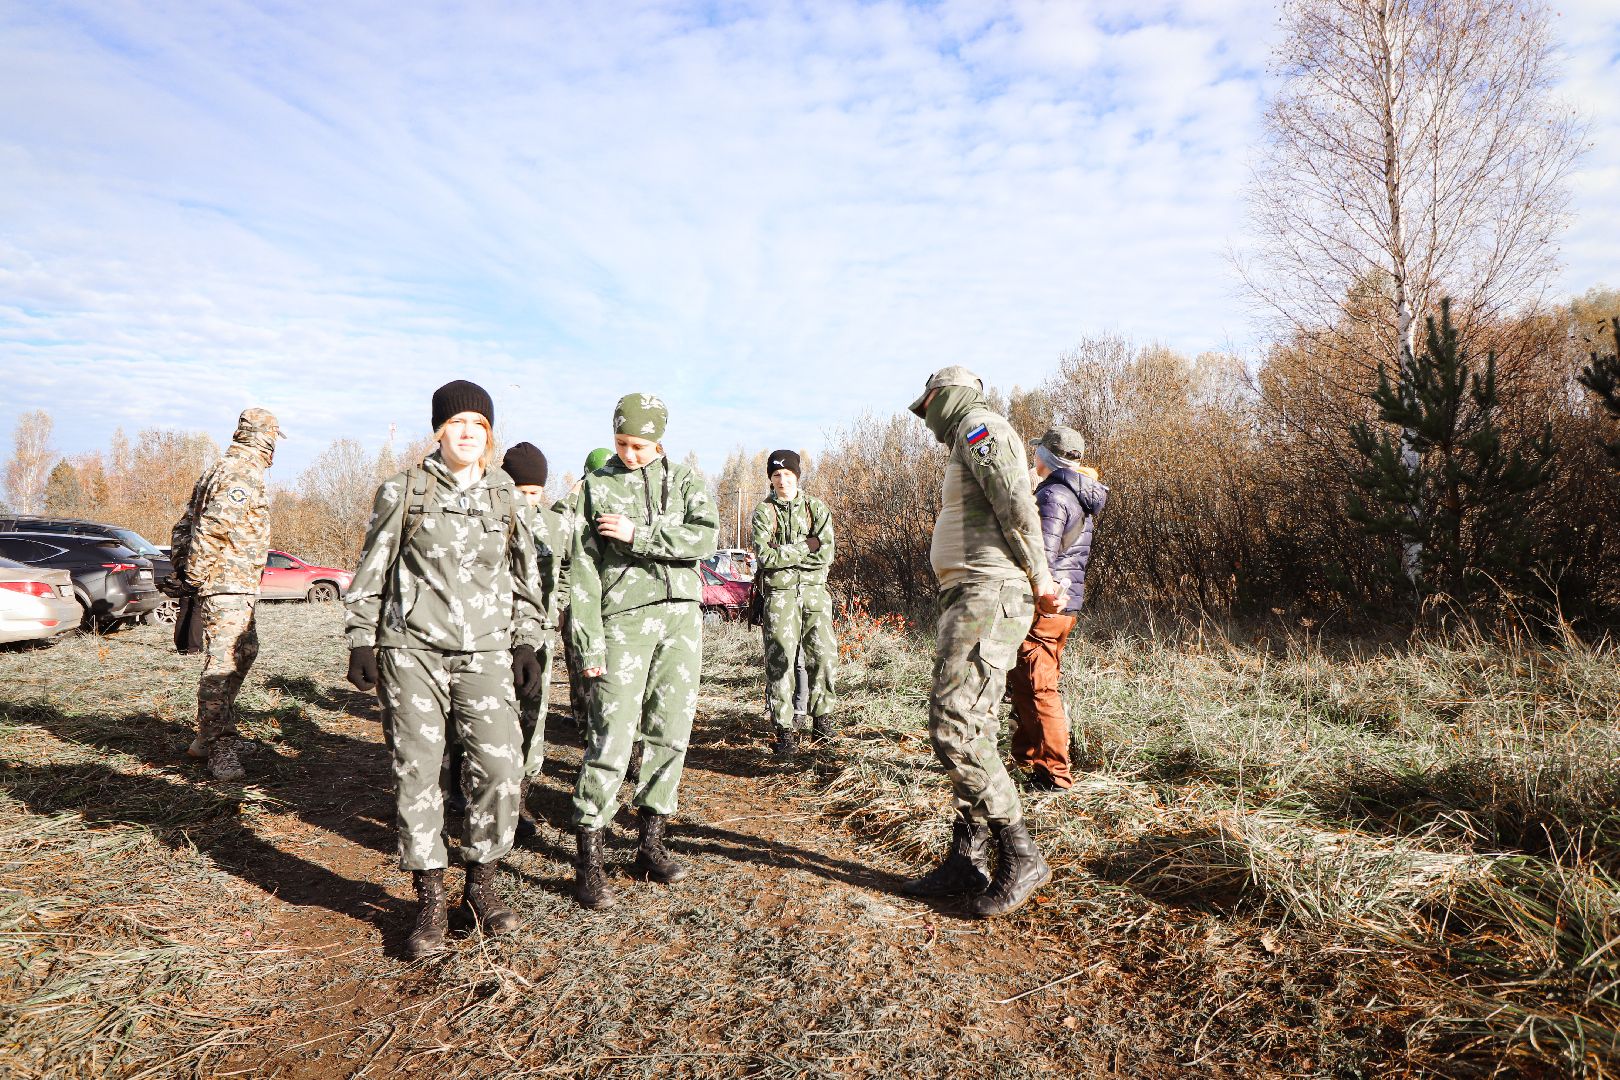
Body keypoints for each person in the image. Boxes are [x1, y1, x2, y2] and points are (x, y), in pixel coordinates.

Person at [343, 380, 547, 959]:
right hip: (412, 650)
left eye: (478, 425)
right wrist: (362, 638)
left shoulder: (505, 495)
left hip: (485, 652)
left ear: (488, 433)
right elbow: (373, 565)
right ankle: (430, 898)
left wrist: (528, 642)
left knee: (502, 767)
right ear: (438, 430)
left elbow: (526, 576)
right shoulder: (403, 490)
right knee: (418, 771)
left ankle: (481, 884)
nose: (467, 433)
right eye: (456, 423)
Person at [898, 366, 1064, 919]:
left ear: (946, 396)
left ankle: (1020, 853)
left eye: (929, 406)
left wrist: (1040, 576)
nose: (926, 420)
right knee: (978, 723)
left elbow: (1015, 501)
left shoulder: (979, 426)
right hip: (969, 591)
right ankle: (966, 858)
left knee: (955, 721)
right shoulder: (967, 435)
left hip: (988, 591)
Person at [567, 393, 717, 910]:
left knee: (671, 731)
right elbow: (582, 571)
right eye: (622, 443)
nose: (631, 453)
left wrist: (640, 533)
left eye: (641, 445)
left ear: (661, 440)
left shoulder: (688, 480)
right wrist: (588, 639)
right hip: (623, 622)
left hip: (681, 622)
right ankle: (590, 856)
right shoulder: (596, 485)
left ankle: (649, 843)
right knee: (612, 734)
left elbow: (705, 538)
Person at [169, 407, 282, 782]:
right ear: (263, 439)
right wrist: (195, 576)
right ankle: (219, 747)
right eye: (273, 441)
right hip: (226, 585)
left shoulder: (220, 469)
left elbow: (184, 525)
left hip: (237, 584)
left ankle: (208, 735)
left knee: (246, 651)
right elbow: (213, 528)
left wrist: (186, 569)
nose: (273, 452)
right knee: (222, 666)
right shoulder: (241, 472)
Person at [1008, 427, 1108, 791]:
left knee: (1039, 688)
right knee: (1025, 682)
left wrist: (1035, 592)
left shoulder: (1052, 495)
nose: (1033, 458)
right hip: (1066, 604)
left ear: (1047, 456)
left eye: (1036, 452)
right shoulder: (1076, 493)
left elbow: (1042, 557)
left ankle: (1055, 776)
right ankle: (1029, 759)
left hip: (1048, 604)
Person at [749, 449, 837, 757]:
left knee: (823, 656)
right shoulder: (763, 512)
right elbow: (766, 557)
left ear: (797, 476)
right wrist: (805, 546)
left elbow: (826, 554)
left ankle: (822, 721)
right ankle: (785, 730)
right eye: (776, 476)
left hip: (815, 593)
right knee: (781, 661)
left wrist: (785, 552)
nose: (782, 481)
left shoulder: (816, 508)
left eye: (788, 475)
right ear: (770, 480)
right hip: (780, 595)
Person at [499, 441, 566, 841]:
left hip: (541, 637)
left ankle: (521, 798)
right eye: (519, 492)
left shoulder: (556, 525)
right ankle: (471, 788)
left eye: (534, 493)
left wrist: (563, 604)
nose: (526, 500)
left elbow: (574, 566)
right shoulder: (488, 517)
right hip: (490, 635)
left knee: (534, 714)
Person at [554, 447, 613, 731]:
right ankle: (585, 729)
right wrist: (561, 602)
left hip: (611, 601)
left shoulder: (614, 499)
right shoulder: (570, 507)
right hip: (576, 602)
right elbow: (560, 559)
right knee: (580, 670)